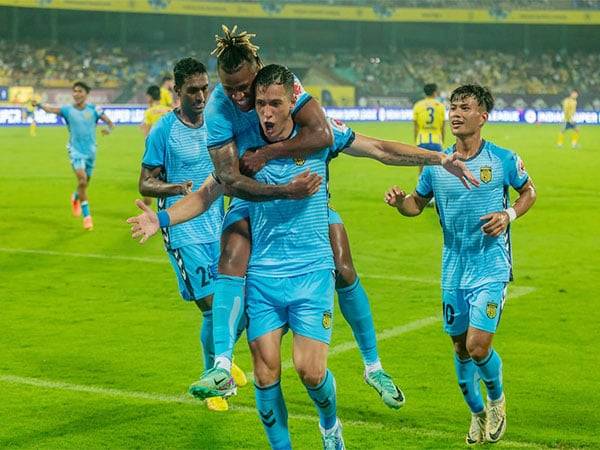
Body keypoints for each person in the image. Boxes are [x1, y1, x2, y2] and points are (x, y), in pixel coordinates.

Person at [190, 25, 406, 409]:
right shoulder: (219, 109)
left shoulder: (283, 85)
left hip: (304, 198)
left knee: (343, 267)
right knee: (232, 254)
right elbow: (226, 179)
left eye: (245, 87)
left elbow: (325, 135)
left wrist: (439, 158)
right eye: (230, 88)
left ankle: (373, 366)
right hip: (253, 194)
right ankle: (222, 364)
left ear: (260, 71)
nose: (240, 96)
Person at [384, 84, 536, 445]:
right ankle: (477, 412)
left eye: (465, 108)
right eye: (453, 107)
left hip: (491, 266)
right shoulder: (436, 165)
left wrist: (509, 214)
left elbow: (529, 191)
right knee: (459, 348)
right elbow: (417, 205)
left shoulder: (501, 159)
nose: (455, 113)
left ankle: (497, 402)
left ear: (482, 116)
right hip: (453, 269)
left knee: (478, 346)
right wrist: (400, 202)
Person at [137, 58, 250, 412]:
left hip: (218, 225)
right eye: (193, 90)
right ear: (177, 91)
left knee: (239, 303)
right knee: (212, 308)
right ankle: (213, 381)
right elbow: (144, 181)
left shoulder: (217, 123)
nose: (201, 96)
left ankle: (222, 361)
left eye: (205, 89)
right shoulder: (163, 131)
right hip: (183, 230)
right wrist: (172, 186)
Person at [33, 81, 114, 230]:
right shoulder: (67, 110)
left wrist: (108, 130)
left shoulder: (94, 109)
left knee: (85, 183)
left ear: (86, 94)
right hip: (75, 151)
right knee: (82, 180)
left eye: (80, 91)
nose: (76, 94)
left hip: (91, 151)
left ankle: (75, 197)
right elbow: (50, 109)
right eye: (74, 91)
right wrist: (38, 105)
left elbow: (110, 123)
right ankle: (87, 217)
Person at [140, 85, 171, 206]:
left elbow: (147, 136)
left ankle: (147, 213)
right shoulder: (170, 111)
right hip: (170, 152)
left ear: (149, 97)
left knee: (147, 184)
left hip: (155, 153)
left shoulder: (149, 112)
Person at [413, 83, 445, 174]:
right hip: (436, 141)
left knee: (421, 173)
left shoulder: (418, 105)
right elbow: (443, 127)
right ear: (435, 92)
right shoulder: (440, 106)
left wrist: (416, 141)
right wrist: (442, 140)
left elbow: (415, 127)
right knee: (437, 172)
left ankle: (422, 188)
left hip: (422, 141)